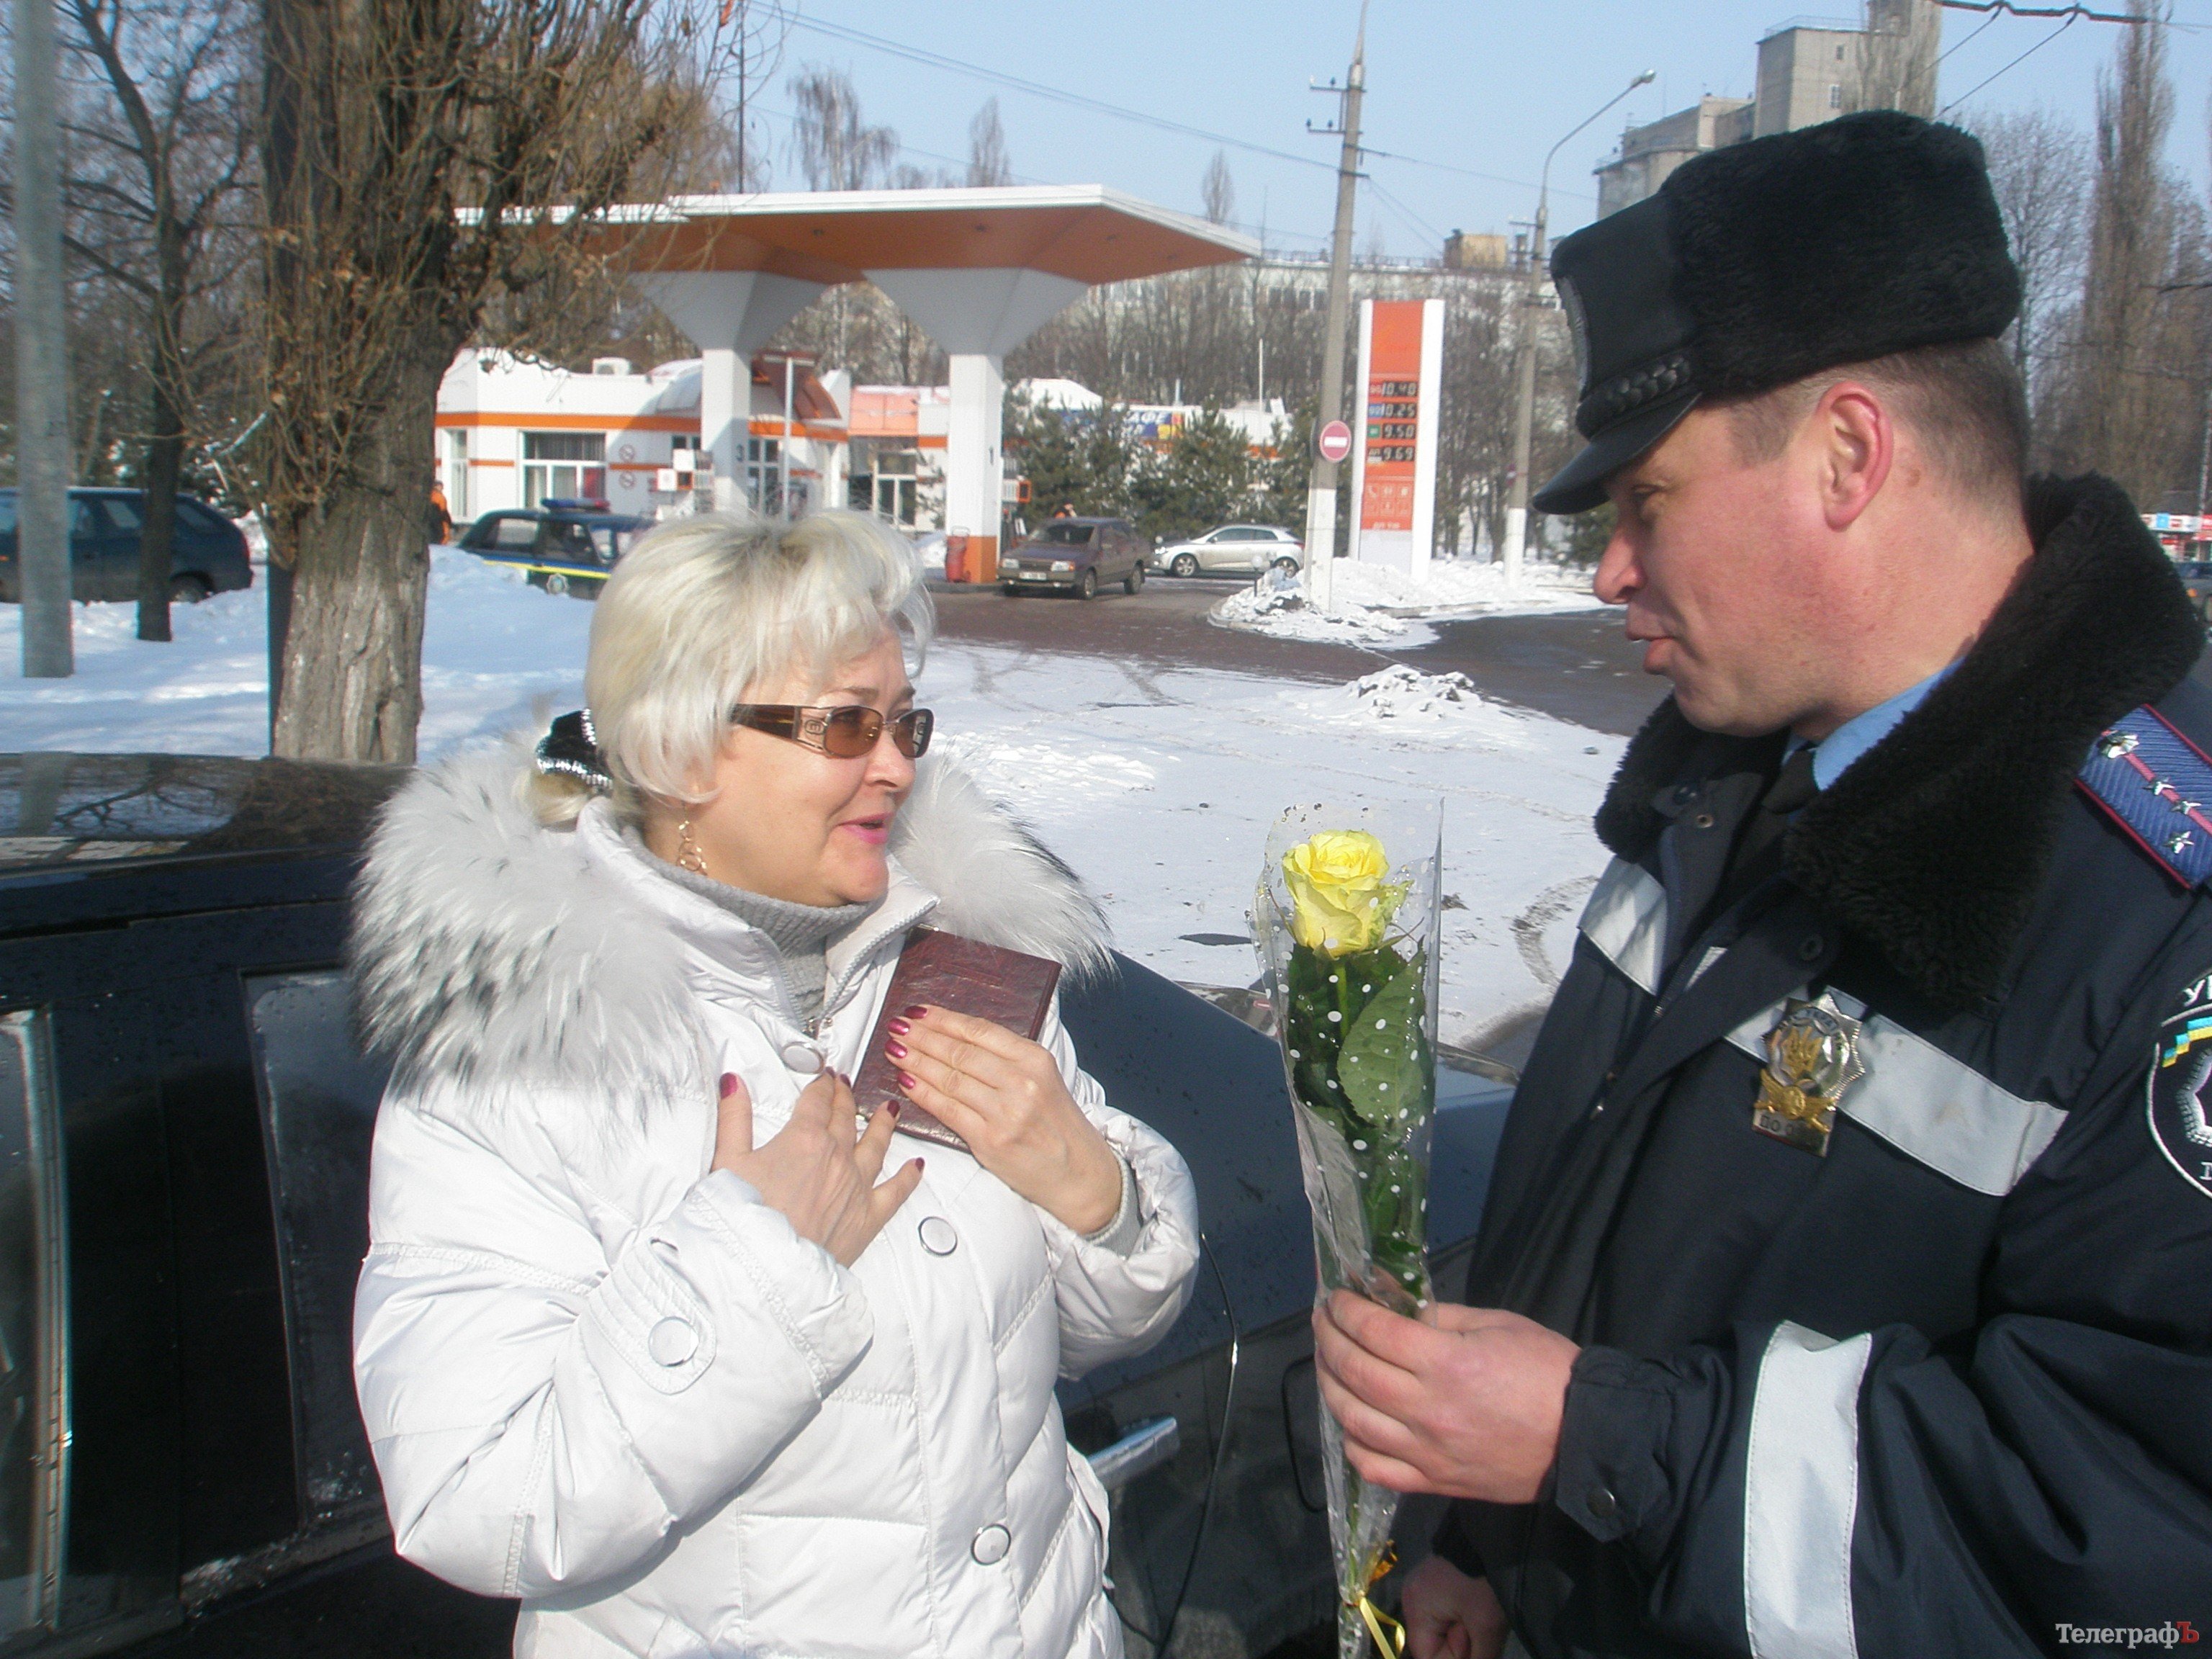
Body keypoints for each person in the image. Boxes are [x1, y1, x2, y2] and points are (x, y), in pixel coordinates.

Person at [1314, 112, 2212, 1658]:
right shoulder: (1722, 784)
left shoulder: (2152, 911)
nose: (1610, 568)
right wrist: (1486, 1535)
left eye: (1648, 501)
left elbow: (2132, 1534)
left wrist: (1595, 1443)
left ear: (1848, 456)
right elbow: (1594, 1238)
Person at [349, 511, 1200, 1658]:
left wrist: (1100, 1199)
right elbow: (473, 1500)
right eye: (846, 724)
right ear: (680, 749)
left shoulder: (955, 962)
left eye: (905, 722)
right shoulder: (526, 1049)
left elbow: (1082, 1340)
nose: (898, 765)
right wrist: (754, 1267)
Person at [428, 481, 454, 545]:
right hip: (439, 521)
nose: (442, 488)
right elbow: (443, 511)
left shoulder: (427, 495)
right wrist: (449, 521)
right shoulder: (439, 497)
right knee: (443, 538)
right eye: (441, 486)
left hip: (429, 522)